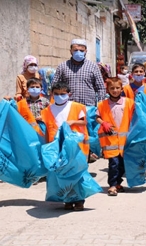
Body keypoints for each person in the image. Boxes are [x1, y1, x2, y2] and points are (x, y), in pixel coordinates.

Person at [41, 81, 89, 211]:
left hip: (75, 147)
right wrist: (47, 147)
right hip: (56, 147)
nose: (59, 96)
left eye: (63, 94)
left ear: (69, 94)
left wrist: (72, 121)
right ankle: (68, 199)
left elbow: (84, 122)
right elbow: (47, 130)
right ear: (52, 94)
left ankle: (79, 200)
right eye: (56, 94)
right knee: (62, 174)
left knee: (76, 173)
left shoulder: (77, 106)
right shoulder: (47, 110)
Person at [96, 77, 135, 196]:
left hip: (124, 140)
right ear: (107, 89)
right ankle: (112, 185)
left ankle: (118, 183)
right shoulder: (102, 104)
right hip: (110, 140)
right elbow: (97, 117)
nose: (115, 90)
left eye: (117, 88)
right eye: (112, 88)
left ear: (122, 89)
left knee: (122, 165)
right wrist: (103, 123)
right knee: (114, 164)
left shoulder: (128, 102)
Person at [53, 38, 106, 107]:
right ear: (71, 51)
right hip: (67, 107)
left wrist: (100, 105)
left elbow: (101, 88)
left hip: (88, 107)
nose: (78, 52)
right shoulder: (62, 66)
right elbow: (54, 85)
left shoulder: (93, 66)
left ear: (86, 51)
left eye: (81, 50)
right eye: (75, 50)